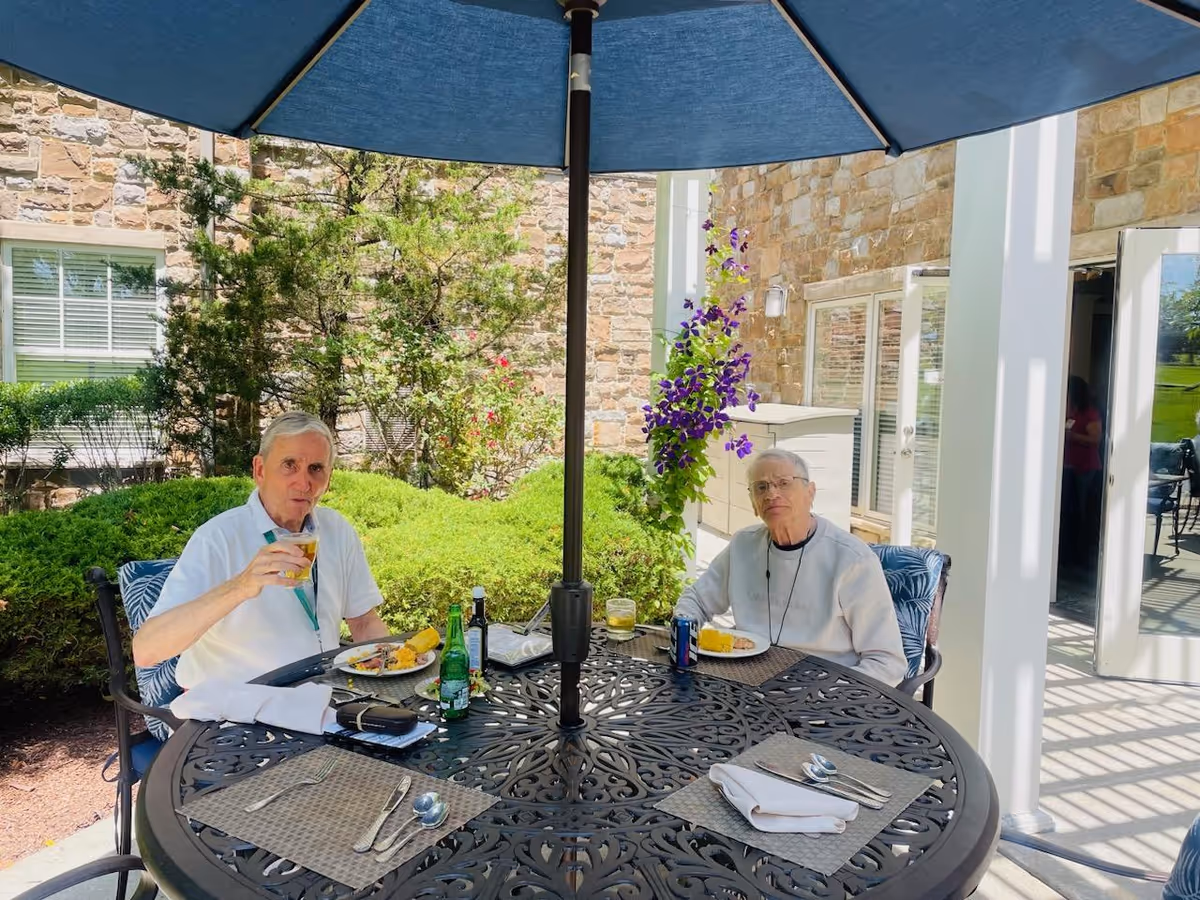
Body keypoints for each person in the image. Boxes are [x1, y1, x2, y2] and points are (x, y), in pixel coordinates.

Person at [132, 411, 390, 688]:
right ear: (260, 470)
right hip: (233, 709)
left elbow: (363, 622)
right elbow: (147, 650)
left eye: (316, 468)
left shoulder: (337, 530)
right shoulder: (217, 537)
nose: (304, 484)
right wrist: (241, 586)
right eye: (289, 465)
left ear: (328, 477)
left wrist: (394, 663)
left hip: (320, 698)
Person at [674, 448, 907, 685]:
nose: (771, 494)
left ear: (810, 492)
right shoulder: (743, 545)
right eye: (761, 487)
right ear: (754, 504)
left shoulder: (852, 559)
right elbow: (697, 600)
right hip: (745, 683)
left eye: (783, 483)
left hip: (821, 691)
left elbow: (887, 662)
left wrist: (830, 698)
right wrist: (683, 638)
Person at [1061, 375, 1103, 571]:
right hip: (1069, 467)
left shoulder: (1090, 413)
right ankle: (1068, 554)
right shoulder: (1069, 410)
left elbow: (1095, 440)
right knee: (1068, 511)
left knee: (1084, 511)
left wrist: (1072, 436)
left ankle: (1084, 555)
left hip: (1086, 468)